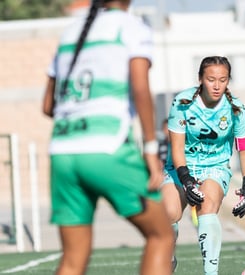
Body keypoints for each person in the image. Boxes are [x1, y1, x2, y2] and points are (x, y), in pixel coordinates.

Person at [42, 0, 174, 274]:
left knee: (72, 259)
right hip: (107, 148)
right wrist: (151, 148)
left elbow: (47, 106)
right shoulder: (132, 27)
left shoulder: (71, 31)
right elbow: (140, 88)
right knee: (161, 236)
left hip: (62, 151)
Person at [161, 56, 245, 274]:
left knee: (207, 207)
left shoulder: (236, 109)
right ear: (200, 79)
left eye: (222, 80)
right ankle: (168, 260)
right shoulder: (182, 103)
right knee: (168, 213)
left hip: (215, 167)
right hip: (180, 167)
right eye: (211, 79)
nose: (216, 85)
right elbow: (176, 148)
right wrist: (186, 180)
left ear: (228, 80)